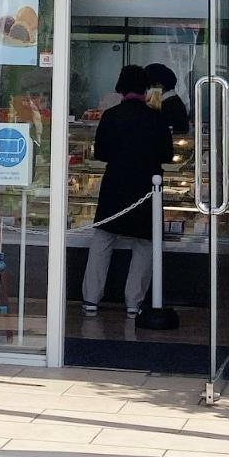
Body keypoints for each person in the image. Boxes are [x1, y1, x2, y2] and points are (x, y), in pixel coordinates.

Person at [81, 65, 173, 316]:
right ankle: (134, 302)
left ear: (121, 88)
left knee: (103, 239)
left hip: (115, 183)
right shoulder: (156, 118)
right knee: (144, 243)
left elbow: (101, 153)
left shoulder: (111, 116)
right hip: (146, 185)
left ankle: (91, 299)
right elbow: (167, 155)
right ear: (146, 89)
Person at [146, 62, 191, 137]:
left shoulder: (169, 106)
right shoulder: (171, 101)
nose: (146, 92)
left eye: (148, 87)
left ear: (159, 85)